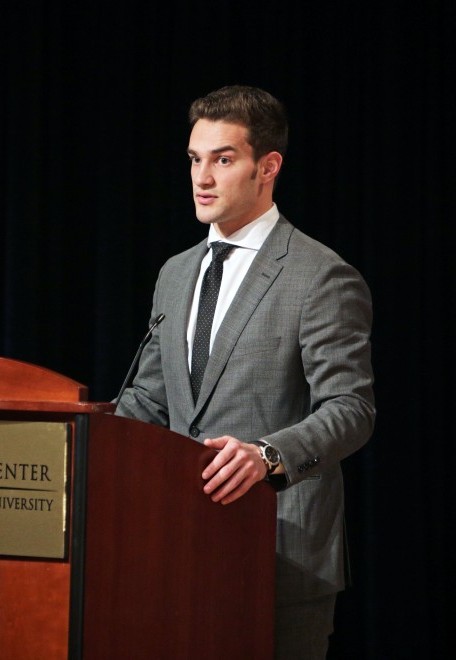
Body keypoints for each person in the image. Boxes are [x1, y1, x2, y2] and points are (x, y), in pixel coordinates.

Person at [114, 84, 375, 659]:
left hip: (280, 555)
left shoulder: (320, 276)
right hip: (177, 551)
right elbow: (151, 402)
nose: (202, 177)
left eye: (223, 159)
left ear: (268, 167)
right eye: (194, 159)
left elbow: (351, 410)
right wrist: (76, 430)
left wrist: (267, 456)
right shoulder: (176, 274)